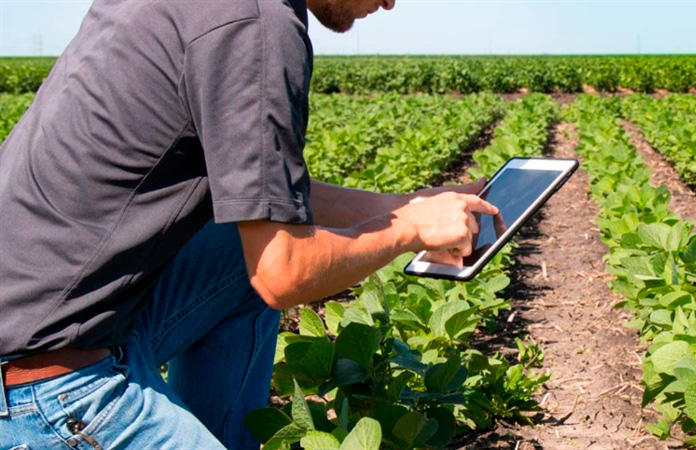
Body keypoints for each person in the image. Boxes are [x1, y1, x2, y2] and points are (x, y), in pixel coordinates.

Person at [0, 0, 498, 448]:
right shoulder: (258, 25)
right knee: (264, 256)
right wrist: (408, 229)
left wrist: (404, 203)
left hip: (43, 318)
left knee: (235, 251)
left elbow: (263, 194)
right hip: (48, 380)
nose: (390, 3)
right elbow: (285, 273)